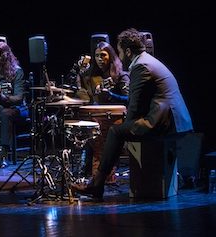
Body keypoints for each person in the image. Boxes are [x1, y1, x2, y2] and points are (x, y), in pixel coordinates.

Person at [71, 28, 193, 200]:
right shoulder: (148, 61)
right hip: (174, 120)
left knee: (116, 131)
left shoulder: (140, 66)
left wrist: (127, 133)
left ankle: (96, 184)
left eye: (120, 52)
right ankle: (97, 183)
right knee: (121, 131)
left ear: (127, 51)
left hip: (166, 123)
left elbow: (134, 107)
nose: (119, 56)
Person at [76, 41, 130, 180]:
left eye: (103, 55)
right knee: (88, 135)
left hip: (118, 118)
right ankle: (89, 174)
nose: (100, 59)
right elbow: (83, 86)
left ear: (110, 56)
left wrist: (111, 96)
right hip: (99, 119)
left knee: (100, 141)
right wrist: (80, 70)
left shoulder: (120, 76)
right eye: (97, 56)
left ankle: (101, 176)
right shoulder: (93, 76)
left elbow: (129, 98)